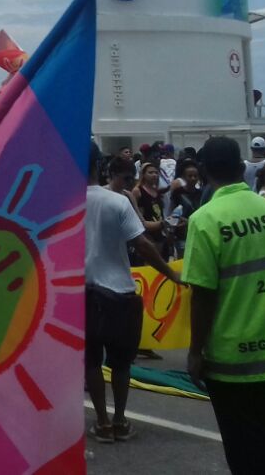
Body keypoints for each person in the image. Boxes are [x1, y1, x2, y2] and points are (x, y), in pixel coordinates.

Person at [183, 137, 265, 475]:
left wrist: (195, 351)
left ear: (203, 172)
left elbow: (202, 294)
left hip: (232, 355)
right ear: (240, 168)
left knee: (244, 450)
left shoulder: (205, 220)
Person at [85, 151, 181, 444]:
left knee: (91, 363)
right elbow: (142, 244)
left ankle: (101, 422)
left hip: (83, 295)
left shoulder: (62, 204)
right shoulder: (117, 202)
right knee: (122, 364)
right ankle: (120, 420)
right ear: (99, 167)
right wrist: (171, 274)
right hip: (120, 294)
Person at [131, 161, 170, 263]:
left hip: (160, 234)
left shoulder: (156, 190)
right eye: (150, 172)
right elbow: (138, 218)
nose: (154, 175)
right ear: (143, 175)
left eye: (156, 173)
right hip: (147, 236)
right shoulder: (137, 191)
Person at [165, 159, 203, 257]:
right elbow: (171, 212)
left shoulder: (201, 194)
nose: (193, 178)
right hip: (181, 235)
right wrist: (170, 231)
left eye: (195, 176)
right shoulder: (178, 193)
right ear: (184, 177)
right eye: (190, 176)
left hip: (198, 233)